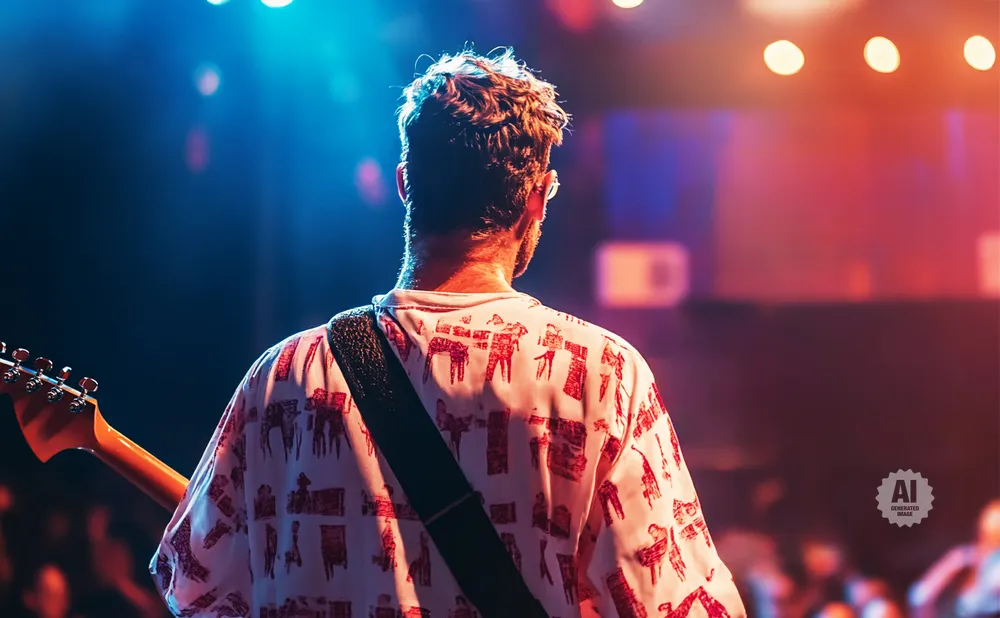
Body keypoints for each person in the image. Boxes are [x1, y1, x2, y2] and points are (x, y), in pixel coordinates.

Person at [148, 47, 746, 618]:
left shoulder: (284, 375)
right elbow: (676, 602)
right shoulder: (600, 374)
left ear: (407, 184)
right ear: (535, 200)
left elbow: (196, 582)